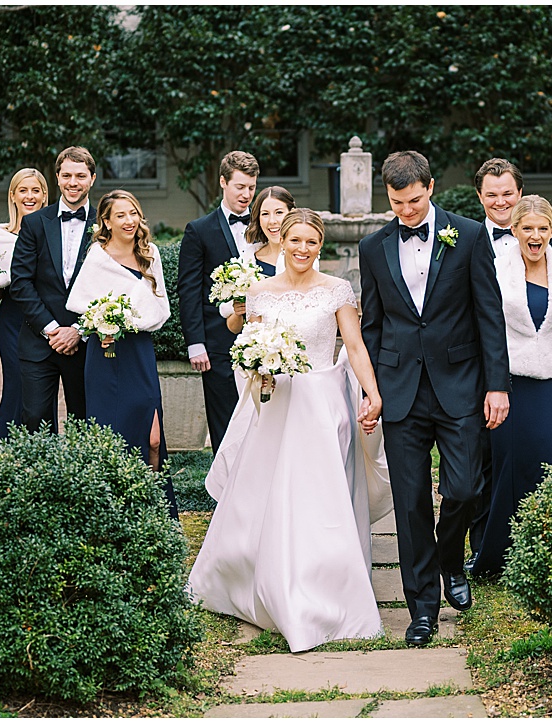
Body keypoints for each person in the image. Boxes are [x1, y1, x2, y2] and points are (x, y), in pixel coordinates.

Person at [188, 209, 391, 652]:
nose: (302, 249)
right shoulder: (260, 293)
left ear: (321, 246)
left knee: (319, 498)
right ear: (281, 242)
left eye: (311, 242)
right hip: (276, 401)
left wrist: (371, 394)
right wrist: (259, 373)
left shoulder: (337, 290)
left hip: (320, 405)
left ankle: (327, 589)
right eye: (294, 241)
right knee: (268, 493)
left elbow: (353, 346)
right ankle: (263, 581)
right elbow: (249, 350)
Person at [359, 151, 511, 646]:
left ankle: (450, 560)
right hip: (401, 392)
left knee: (464, 489)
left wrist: (497, 385)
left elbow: (490, 315)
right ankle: (421, 609)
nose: (407, 210)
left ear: (431, 188)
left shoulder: (467, 235)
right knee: (410, 506)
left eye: (415, 200)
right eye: (397, 203)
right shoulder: (372, 246)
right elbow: (373, 326)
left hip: (461, 387)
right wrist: (373, 391)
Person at [469, 196, 552, 578]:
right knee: (512, 469)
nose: (535, 236)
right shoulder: (496, 269)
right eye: (528, 229)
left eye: (543, 228)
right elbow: (486, 329)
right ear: (515, 231)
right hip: (511, 387)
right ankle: (503, 556)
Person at [66, 190, 179, 520]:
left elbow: (161, 309)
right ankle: (115, 515)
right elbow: (82, 306)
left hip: (139, 353)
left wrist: (130, 320)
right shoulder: (97, 257)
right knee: (112, 438)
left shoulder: (150, 253)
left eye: (133, 213)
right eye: (121, 215)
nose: (129, 221)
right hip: (105, 357)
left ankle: (153, 514)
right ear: (106, 221)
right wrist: (102, 324)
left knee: (153, 439)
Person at [10, 146, 97, 432]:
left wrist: (78, 331)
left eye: (81, 176)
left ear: (92, 179)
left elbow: (113, 286)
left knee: (84, 423)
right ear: (57, 178)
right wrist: (52, 329)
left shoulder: (105, 224)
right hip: (40, 342)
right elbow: (21, 281)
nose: (74, 182)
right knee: (35, 419)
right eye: (67, 175)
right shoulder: (34, 223)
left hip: (86, 343)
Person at [177, 151, 259, 452]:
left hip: (262, 338)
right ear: (223, 182)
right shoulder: (199, 230)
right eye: (239, 186)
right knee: (224, 422)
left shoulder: (266, 226)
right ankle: (226, 493)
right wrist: (195, 343)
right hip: (216, 341)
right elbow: (189, 290)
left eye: (251, 187)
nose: (246, 194)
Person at [0, 168, 55, 444]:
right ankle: (1, 456)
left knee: (43, 389)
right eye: (23, 190)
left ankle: (44, 454)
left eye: (36, 190)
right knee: (16, 387)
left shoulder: (54, 231)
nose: (30, 196)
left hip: (47, 320)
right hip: (13, 320)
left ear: (45, 196)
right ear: (12, 196)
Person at [219, 185, 297, 327]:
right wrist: (238, 312)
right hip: (257, 344)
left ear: (291, 214)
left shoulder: (302, 257)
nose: (272, 221)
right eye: (265, 214)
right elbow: (233, 328)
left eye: (279, 212)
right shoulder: (247, 260)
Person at [474, 157, 552, 258]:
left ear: (519, 193)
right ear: (480, 196)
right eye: (492, 195)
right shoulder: (470, 240)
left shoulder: (545, 236)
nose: (500, 202)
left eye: (507, 194)